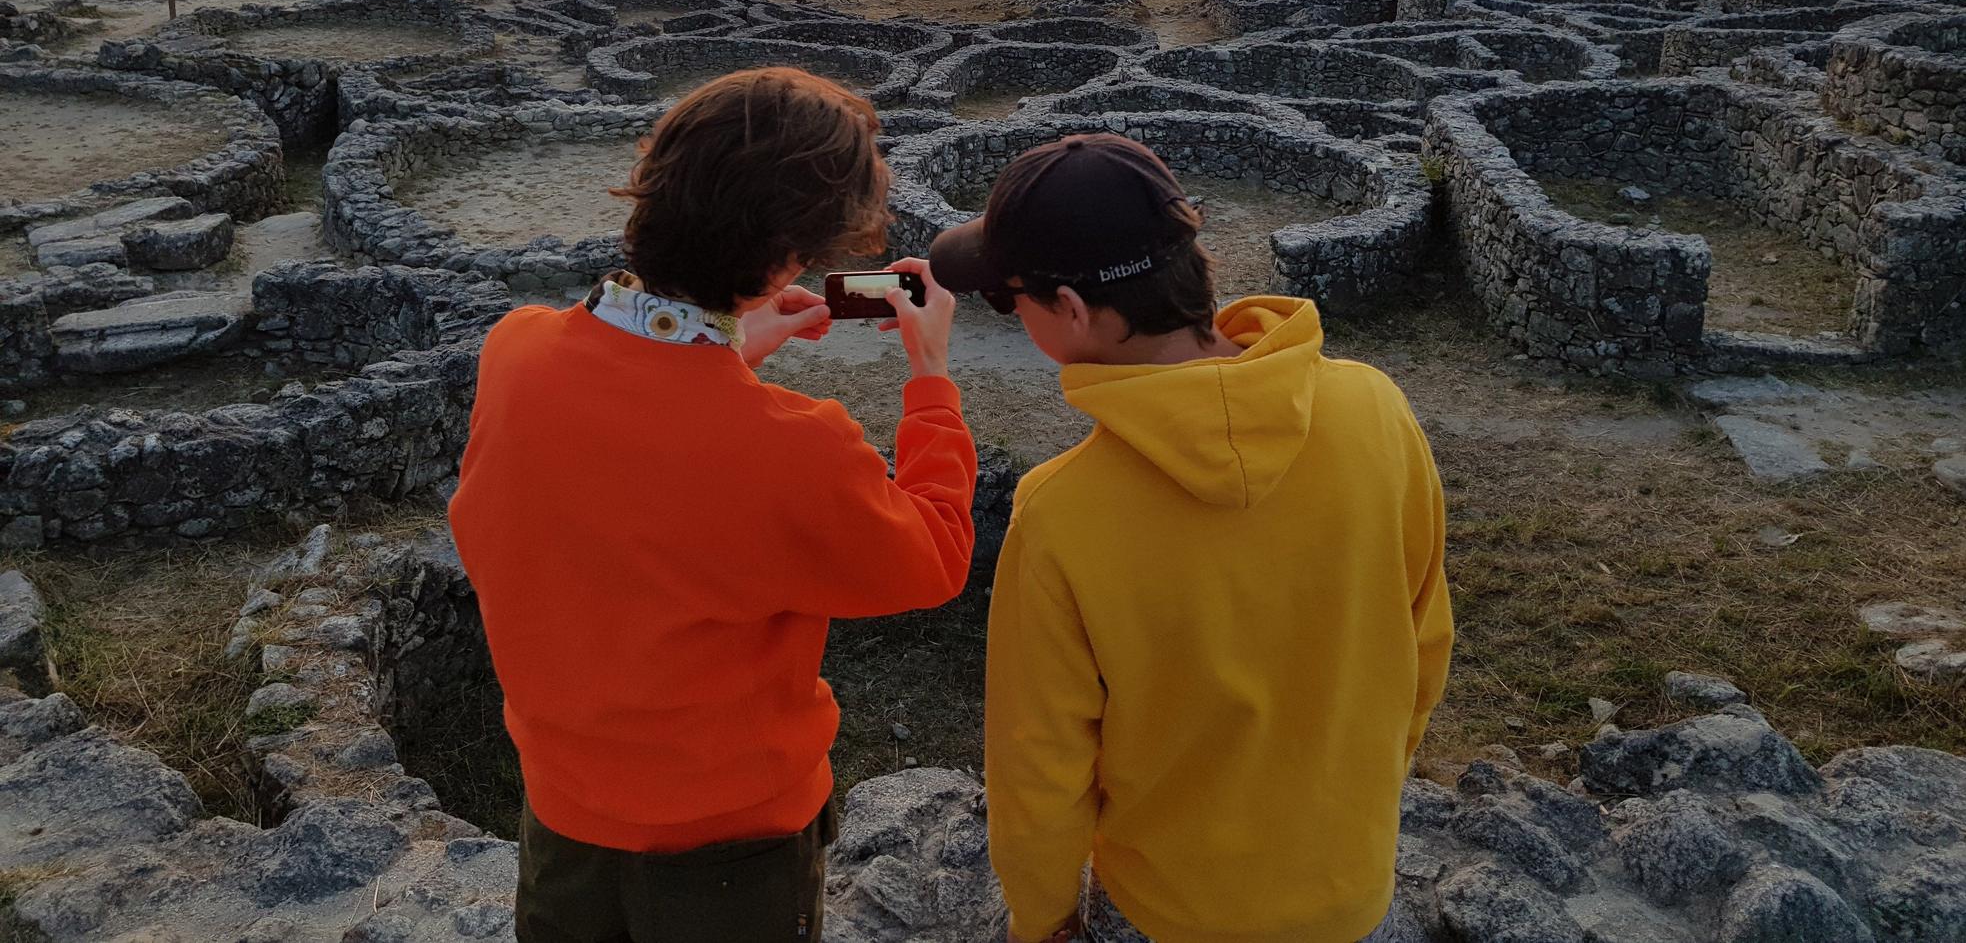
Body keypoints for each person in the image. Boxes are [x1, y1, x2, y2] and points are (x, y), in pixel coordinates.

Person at [450, 67, 976, 943]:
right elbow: (933, 558)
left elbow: (645, 455)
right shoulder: (795, 445)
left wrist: (733, 347)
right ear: (788, 259)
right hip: (732, 849)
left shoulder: (517, 353)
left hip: (565, 812)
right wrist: (931, 380)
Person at [929, 133, 1451, 943]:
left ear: (1068, 309)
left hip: (1170, 912)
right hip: (1352, 891)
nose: (1010, 312)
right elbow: (1424, 645)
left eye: (1008, 299)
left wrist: (1042, 918)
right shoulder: (1376, 410)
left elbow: (1040, 774)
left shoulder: (1061, 512)